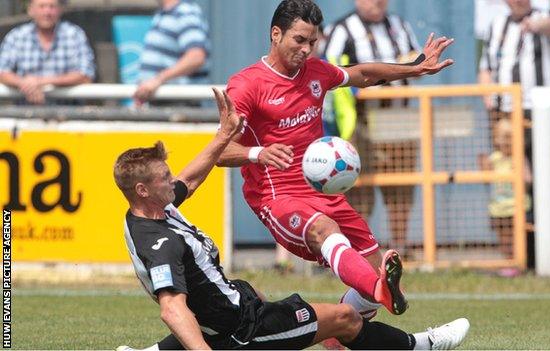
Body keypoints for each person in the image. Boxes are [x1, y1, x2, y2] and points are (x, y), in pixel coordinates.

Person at [114, 88, 470, 350]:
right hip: (242, 326)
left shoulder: (155, 209)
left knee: (251, 290)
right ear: (143, 190)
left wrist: (223, 136)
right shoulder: (158, 242)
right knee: (344, 319)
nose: (172, 179)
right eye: (164, 177)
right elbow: (173, 309)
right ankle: (420, 345)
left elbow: (190, 179)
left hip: (232, 305)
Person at [216, 0, 453, 320]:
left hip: (324, 194)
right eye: (299, 40)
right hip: (277, 197)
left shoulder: (316, 71)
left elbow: (363, 74)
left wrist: (416, 67)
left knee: (373, 267)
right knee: (330, 235)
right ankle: (379, 288)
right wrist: (258, 153)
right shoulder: (247, 85)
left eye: (312, 42)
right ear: (276, 34)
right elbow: (219, 150)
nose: (306, 49)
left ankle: (340, 333)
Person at [323, 0, 423, 258]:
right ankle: (359, 251)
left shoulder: (399, 26)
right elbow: (330, 72)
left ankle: (399, 248)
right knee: (358, 189)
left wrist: (410, 63)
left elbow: (418, 62)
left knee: (401, 187)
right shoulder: (342, 29)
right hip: (362, 121)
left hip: (398, 118)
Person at [478, 0, 550, 161]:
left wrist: (536, 25)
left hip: (539, 110)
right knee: (507, 167)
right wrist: (487, 96)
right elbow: (486, 67)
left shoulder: (545, 15)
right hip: (505, 111)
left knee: (543, 168)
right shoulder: (497, 24)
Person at [0, 0, 95, 105]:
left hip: (68, 114)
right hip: (25, 114)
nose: (47, 12)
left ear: (60, 9)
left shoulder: (74, 34)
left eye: (52, 6)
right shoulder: (17, 36)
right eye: (42, 6)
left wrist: (40, 81)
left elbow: (86, 75)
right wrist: (24, 84)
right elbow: (2, 72)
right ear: (30, 10)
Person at [133, 0, 210, 106]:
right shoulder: (162, 14)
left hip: (179, 104)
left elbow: (196, 57)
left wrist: (158, 79)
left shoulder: (185, 12)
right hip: (160, 103)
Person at [478, 119, 532, 258]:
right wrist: (484, 167)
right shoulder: (494, 158)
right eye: (504, 137)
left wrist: (520, 175)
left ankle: (519, 260)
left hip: (516, 208)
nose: (507, 142)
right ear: (496, 139)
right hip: (498, 208)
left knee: (518, 238)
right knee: (504, 239)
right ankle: (508, 262)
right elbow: (486, 180)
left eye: (511, 137)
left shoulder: (519, 158)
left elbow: (528, 180)